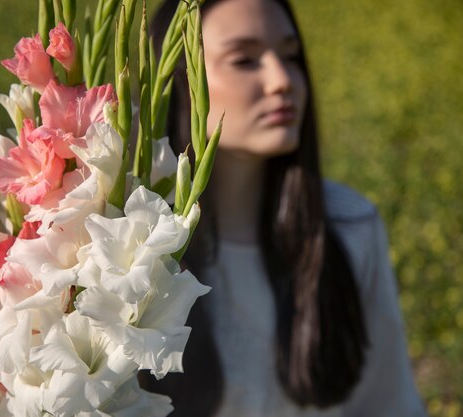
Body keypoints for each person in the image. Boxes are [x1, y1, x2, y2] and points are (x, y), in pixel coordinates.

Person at [142, 0, 428, 416]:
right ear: (174, 81)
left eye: (290, 55)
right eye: (245, 60)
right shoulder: (126, 245)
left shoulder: (349, 228)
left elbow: (389, 404)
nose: (283, 80)